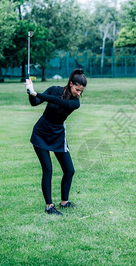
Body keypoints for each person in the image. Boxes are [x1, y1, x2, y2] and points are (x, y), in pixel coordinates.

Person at [25, 69, 87, 216]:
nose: (79, 93)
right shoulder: (54, 90)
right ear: (70, 83)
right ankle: (49, 206)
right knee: (48, 169)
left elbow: (58, 101)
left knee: (69, 170)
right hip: (41, 132)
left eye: (81, 91)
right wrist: (30, 92)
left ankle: (64, 202)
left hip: (58, 134)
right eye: (77, 89)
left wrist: (36, 93)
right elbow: (35, 103)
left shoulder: (75, 103)